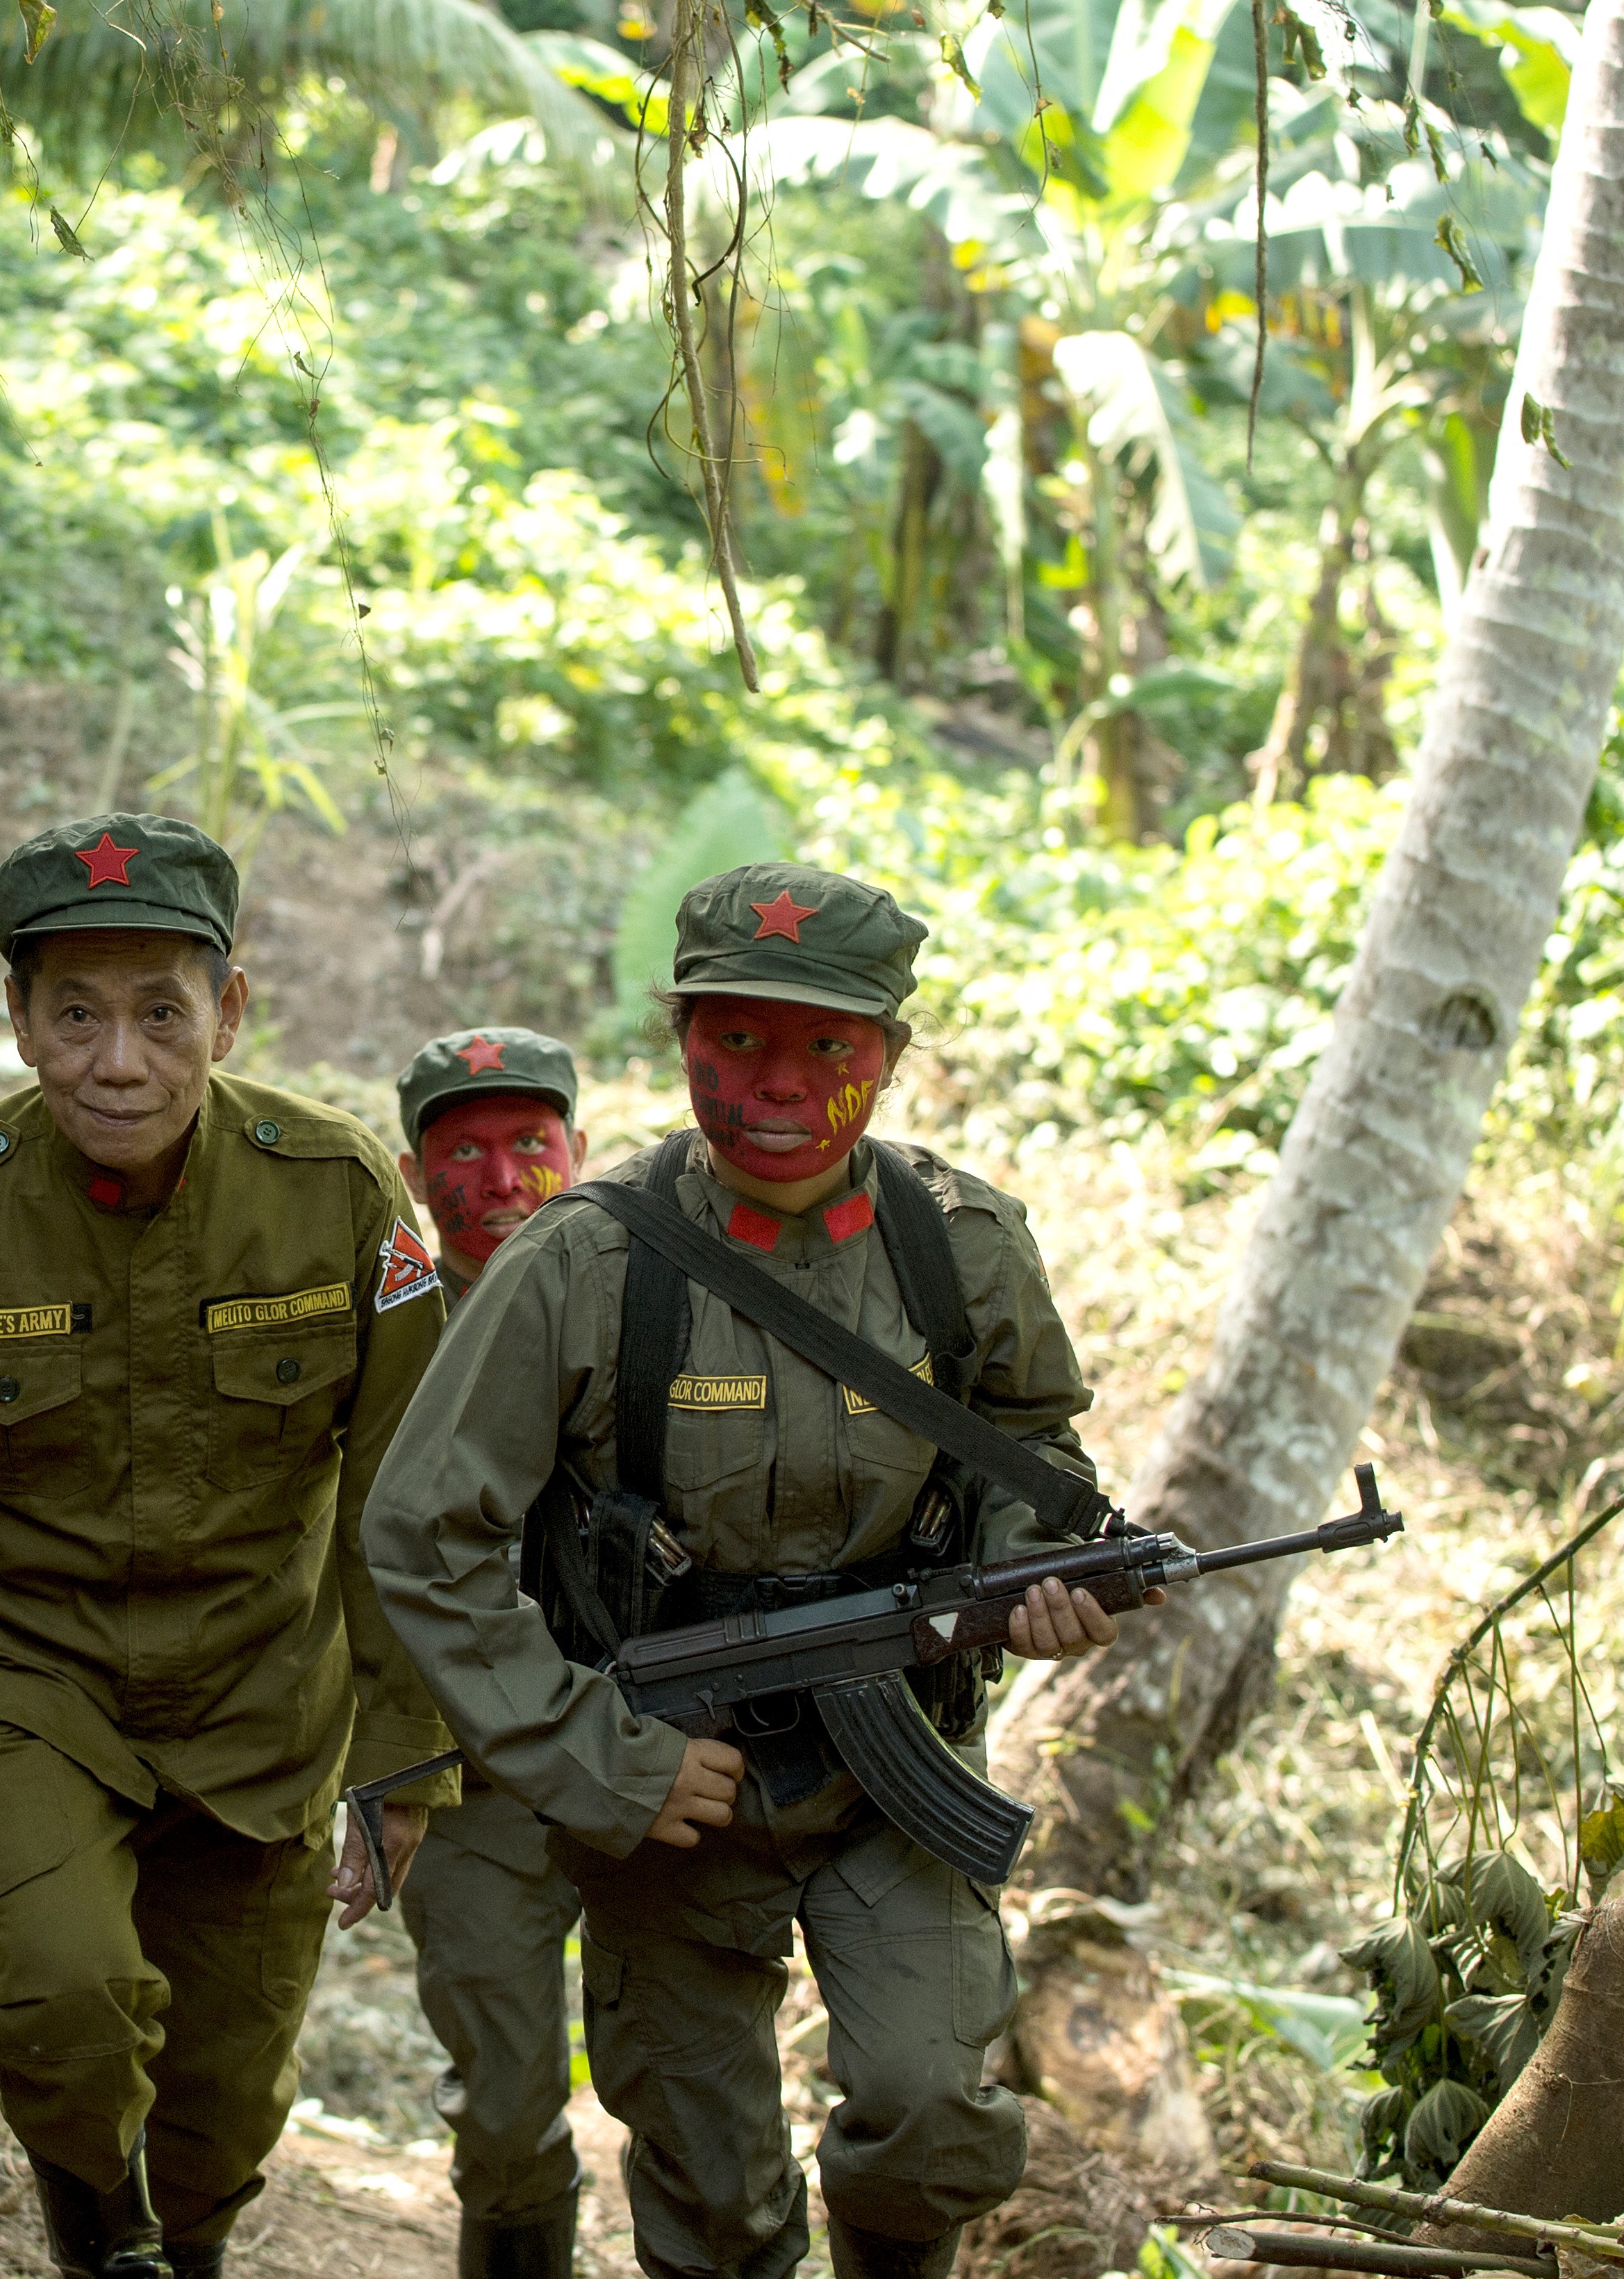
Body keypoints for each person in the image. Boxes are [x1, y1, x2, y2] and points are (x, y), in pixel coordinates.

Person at [363, 863, 1147, 2279]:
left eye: (826, 1047)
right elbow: (427, 1533)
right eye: (736, 1040)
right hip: (674, 1787)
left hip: (889, 1766)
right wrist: (594, 1752)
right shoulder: (585, 1259)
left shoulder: (959, 1246)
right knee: (712, 2196)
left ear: (891, 1056)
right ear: (682, 1042)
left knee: (928, 2108)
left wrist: (1038, 1577)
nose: (777, 1081)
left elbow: (1031, 1454)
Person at [0, 813, 463, 2279]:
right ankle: (101, 2237)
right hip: (13, 1669)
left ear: (229, 1008)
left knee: (224, 2102)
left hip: (261, 1691)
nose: (120, 1059)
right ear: (17, 1017)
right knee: (68, 1994)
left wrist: (403, 1749)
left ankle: (186, 2237)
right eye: (77, 1013)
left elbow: (399, 1499)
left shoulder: (345, 1197)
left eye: (163, 1011)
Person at [386, 1026, 590, 2279]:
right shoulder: (383, 1332)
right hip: (471, 1778)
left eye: (531, 1143)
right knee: (509, 2108)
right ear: (416, 1174)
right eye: (463, 1150)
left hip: (661, 1739)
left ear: (582, 1151)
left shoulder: (648, 1294)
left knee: (689, 2099)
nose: (502, 1178)